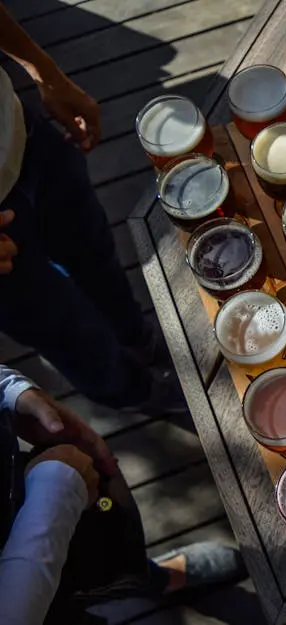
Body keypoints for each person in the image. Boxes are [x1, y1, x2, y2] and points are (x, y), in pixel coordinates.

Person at [0, 5, 183, 416]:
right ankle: (137, 393)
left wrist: (44, 71)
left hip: (24, 138)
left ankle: (136, 337)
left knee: (94, 251)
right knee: (63, 326)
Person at [0, 365, 246, 624]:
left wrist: (10, 391)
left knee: (104, 543)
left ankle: (152, 579)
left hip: (22, 485)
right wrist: (57, 486)